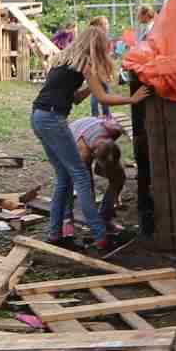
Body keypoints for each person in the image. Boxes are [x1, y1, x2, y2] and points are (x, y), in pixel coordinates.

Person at [32, 26, 144, 250]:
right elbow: (104, 98)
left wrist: (90, 89)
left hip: (38, 117)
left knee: (64, 177)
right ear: (95, 45)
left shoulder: (63, 60)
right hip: (53, 119)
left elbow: (73, 98)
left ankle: (55, 234)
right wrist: (132, 99)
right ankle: (101, 235)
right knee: (81, 176)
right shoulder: (84, 63)